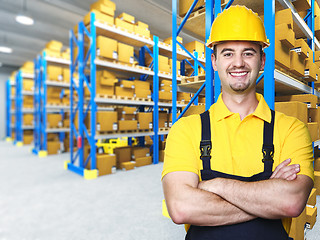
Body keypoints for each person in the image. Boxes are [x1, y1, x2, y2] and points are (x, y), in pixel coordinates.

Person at [161, 5, 314, 240]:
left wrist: (215, 186)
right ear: (214, 61)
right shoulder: (186, 130)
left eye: (248, 53)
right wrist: (267, 199)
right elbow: (181, 207)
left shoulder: (291, 129)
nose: (238, 63)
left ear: (262, 60)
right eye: (228, 53)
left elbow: (292, 202)